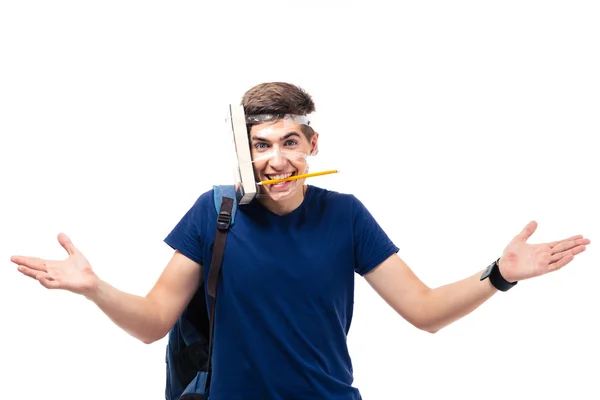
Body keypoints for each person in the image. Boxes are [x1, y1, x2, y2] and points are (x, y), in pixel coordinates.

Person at [11, 82, 591, 400]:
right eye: (261, 145)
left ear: (313, 146)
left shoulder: (346, 216)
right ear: (245, 154)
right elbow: (151, 322)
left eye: (290, 141)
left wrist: (500, 274)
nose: (276, 159)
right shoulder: (215, 212)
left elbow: (425, 311)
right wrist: (94, 289)